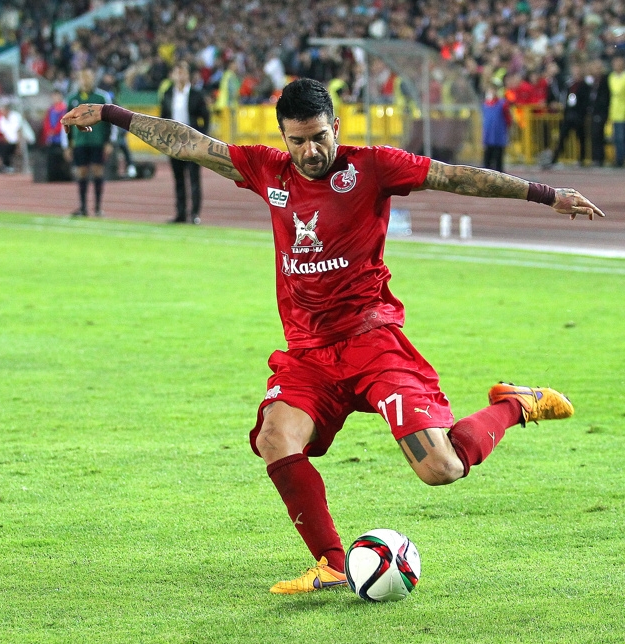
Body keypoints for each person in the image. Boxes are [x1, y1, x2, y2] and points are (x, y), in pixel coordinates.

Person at [62, 78, 603, 594]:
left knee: (442, 469)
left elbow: (455, 176)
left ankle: (515, 404)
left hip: (373, 343)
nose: (311, 150)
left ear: (336, 127)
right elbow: (188, 143)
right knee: (276, 436)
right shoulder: (265, 170)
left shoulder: (373, 167)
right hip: (310, 356)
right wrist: (113, 114)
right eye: (298, 141)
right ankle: (332, 563)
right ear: (283, 138)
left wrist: (546, 193)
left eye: (320, 137)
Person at [159, 62, 210, 224]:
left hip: (192, 141)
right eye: (177, 73)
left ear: (188, 75)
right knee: (178, 179)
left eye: (182, 73)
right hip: (174, 142)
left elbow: (206, 117)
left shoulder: (196, 94)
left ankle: (194, 214)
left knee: (194, 178)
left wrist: (202, 137)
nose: (180, 76)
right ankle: (180, 213)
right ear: (172, 75)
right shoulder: (167, 94)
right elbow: (163, 118)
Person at [64, 69, 113, 217]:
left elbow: (109, 120)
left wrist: (108, 142)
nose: (85, 80)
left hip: (97, 140)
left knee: (98, 171)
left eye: (88, 77)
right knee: (82, 172)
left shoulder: (101, 97)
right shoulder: (72, 98)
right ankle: (83, 207)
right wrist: (68, 144)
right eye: (83, 77)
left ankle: (98, 208)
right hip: (80, 142)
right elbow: (67, 122)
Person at [547, 64, 591, 169]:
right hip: (568, 115)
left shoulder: (585, 85)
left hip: (579, 115)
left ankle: (581, 159)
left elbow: (586, 101)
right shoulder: (569, 85)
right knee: (562, 137)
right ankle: (554, 159)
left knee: (581, 138)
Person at [481, 80, 511, 173]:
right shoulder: (485, 104)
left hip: (498, 136)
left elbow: (508, 119)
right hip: (488, 136)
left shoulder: (502, 104)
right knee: (487, 160)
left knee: (498, 160)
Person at [608, 55, 625, 167]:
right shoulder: (611, 77)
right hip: (615, 111)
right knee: (617, 138)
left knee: (621, 137)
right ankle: (619, 160)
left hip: (623, 110)